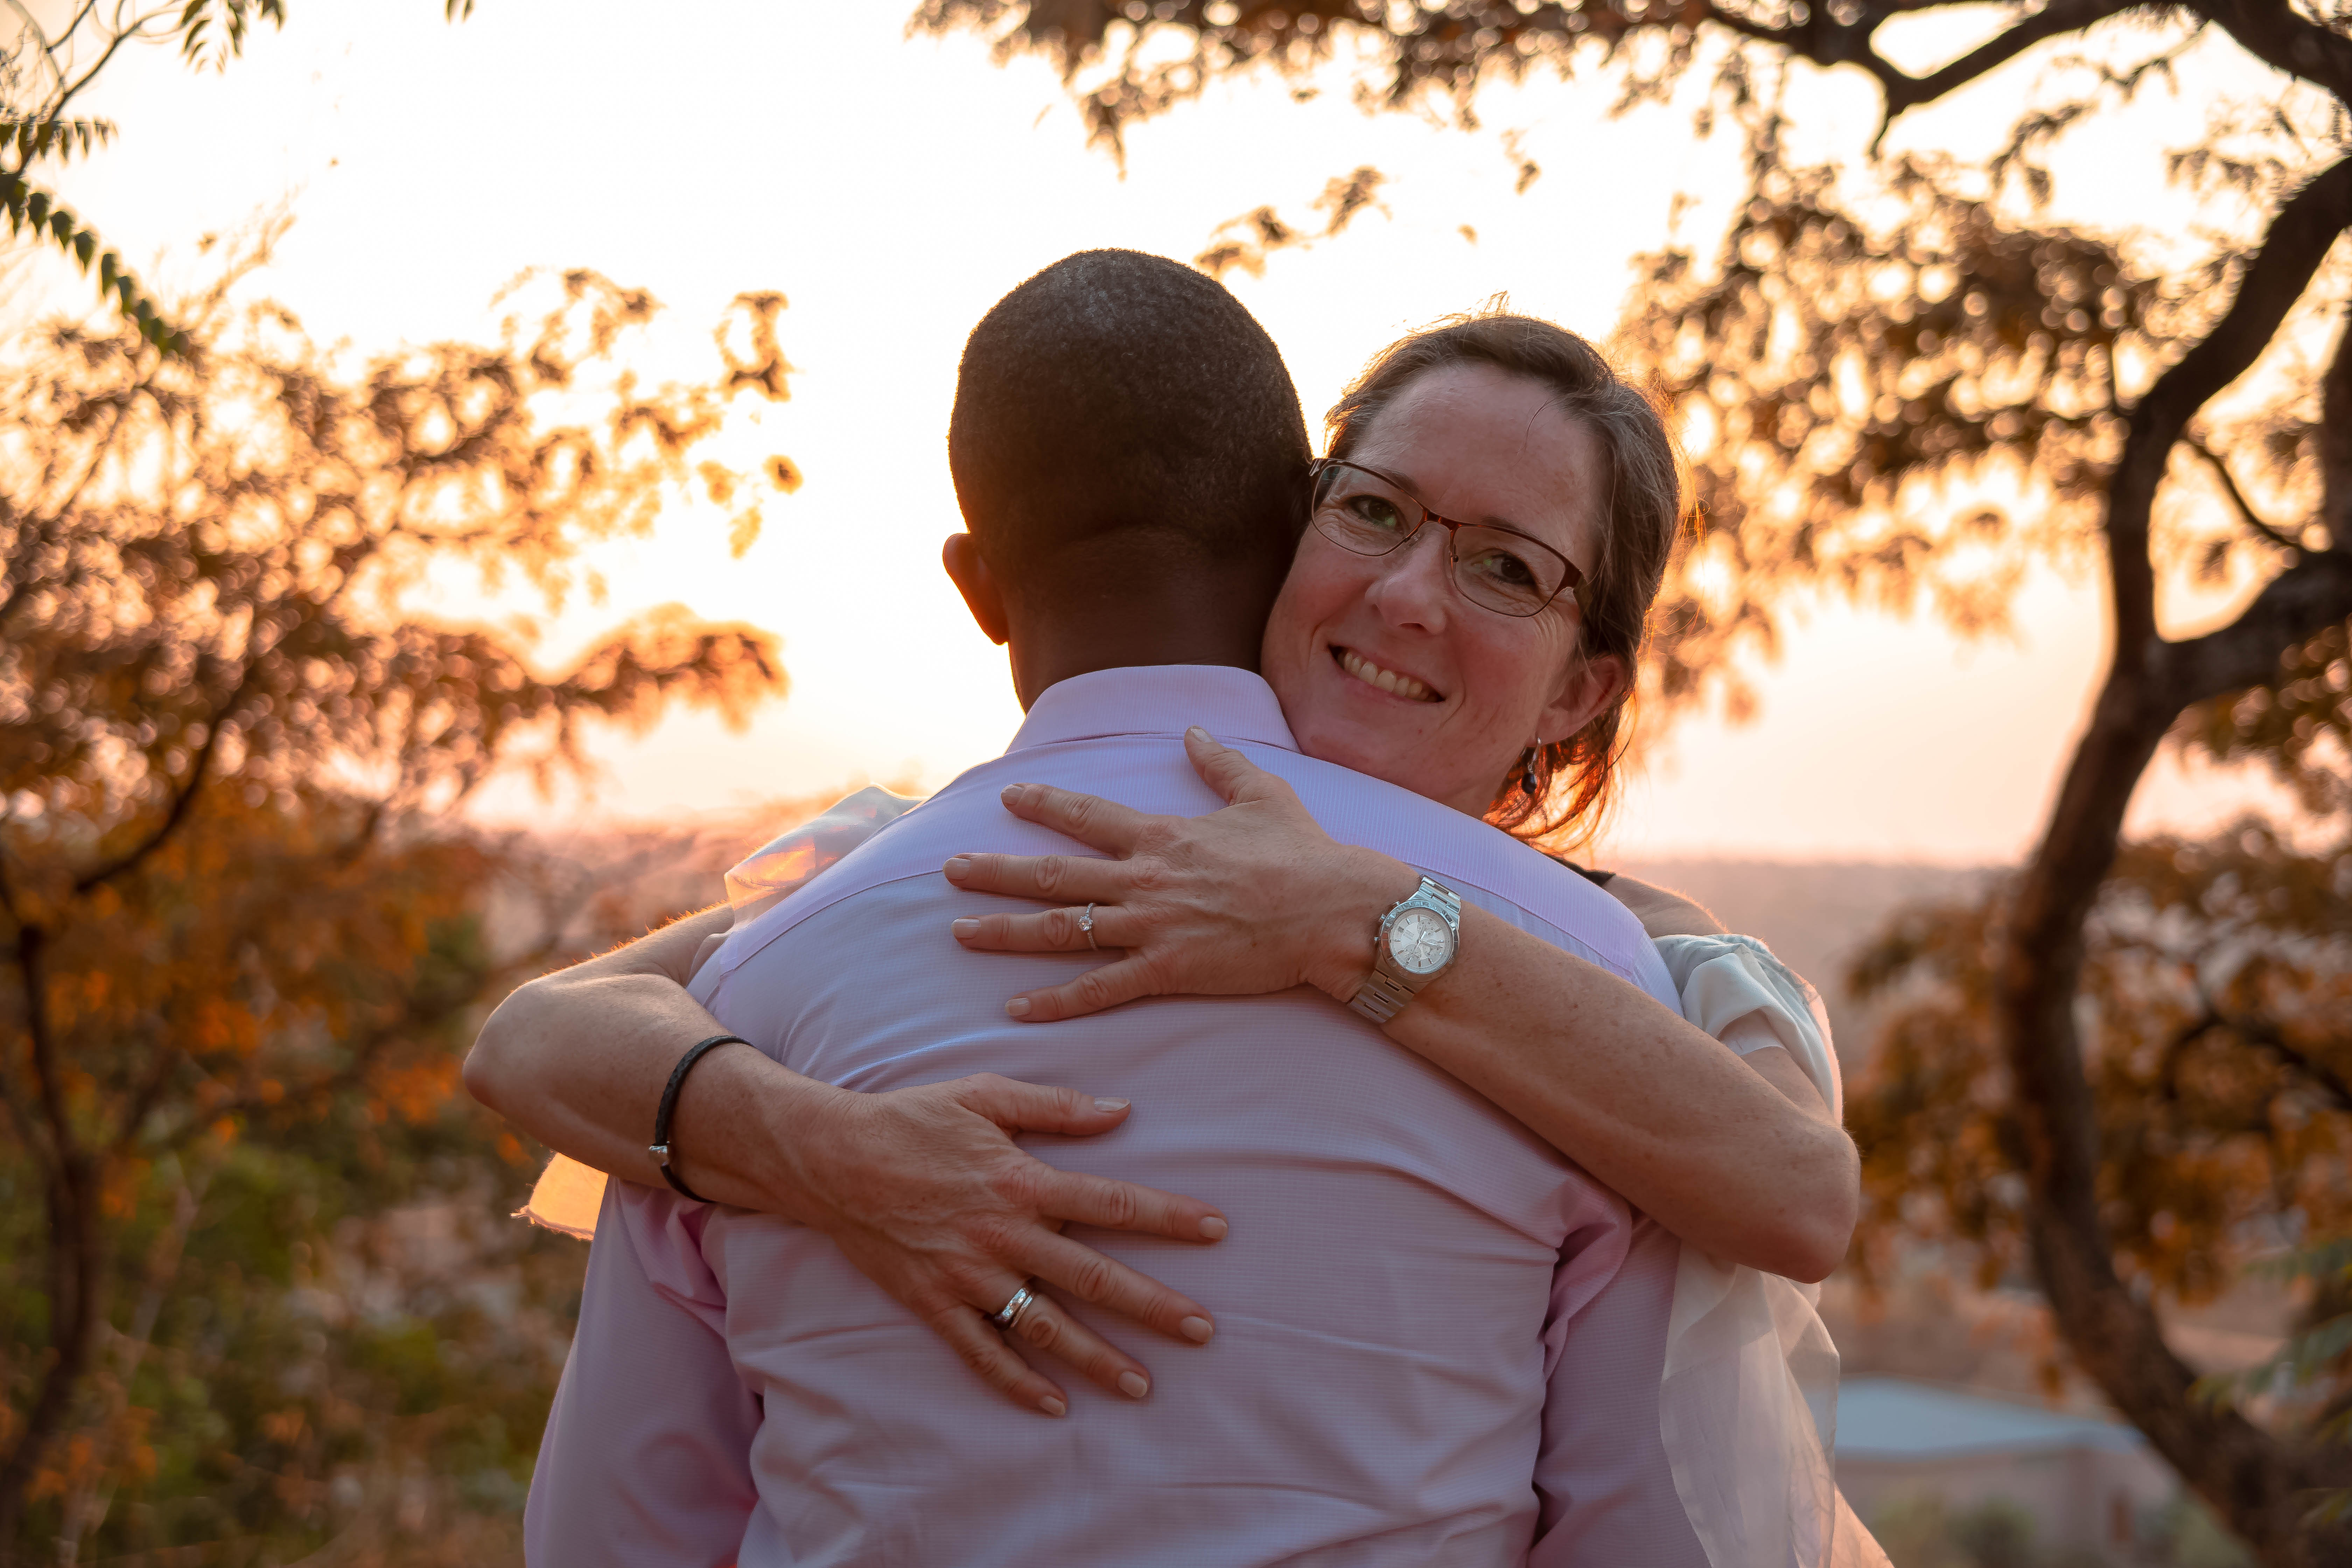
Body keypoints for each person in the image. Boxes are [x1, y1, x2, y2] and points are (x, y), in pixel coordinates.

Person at [486, 254, 1865, 1565]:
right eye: (1376, 512)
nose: (1405, 596)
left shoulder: (776, 973)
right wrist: (826, 1148)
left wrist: (1356, 917)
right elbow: (1651, 1527)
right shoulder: (1614, 979)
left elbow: (616, 1534)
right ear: (1287, 527)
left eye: (1506, 567)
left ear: (1583, 689)